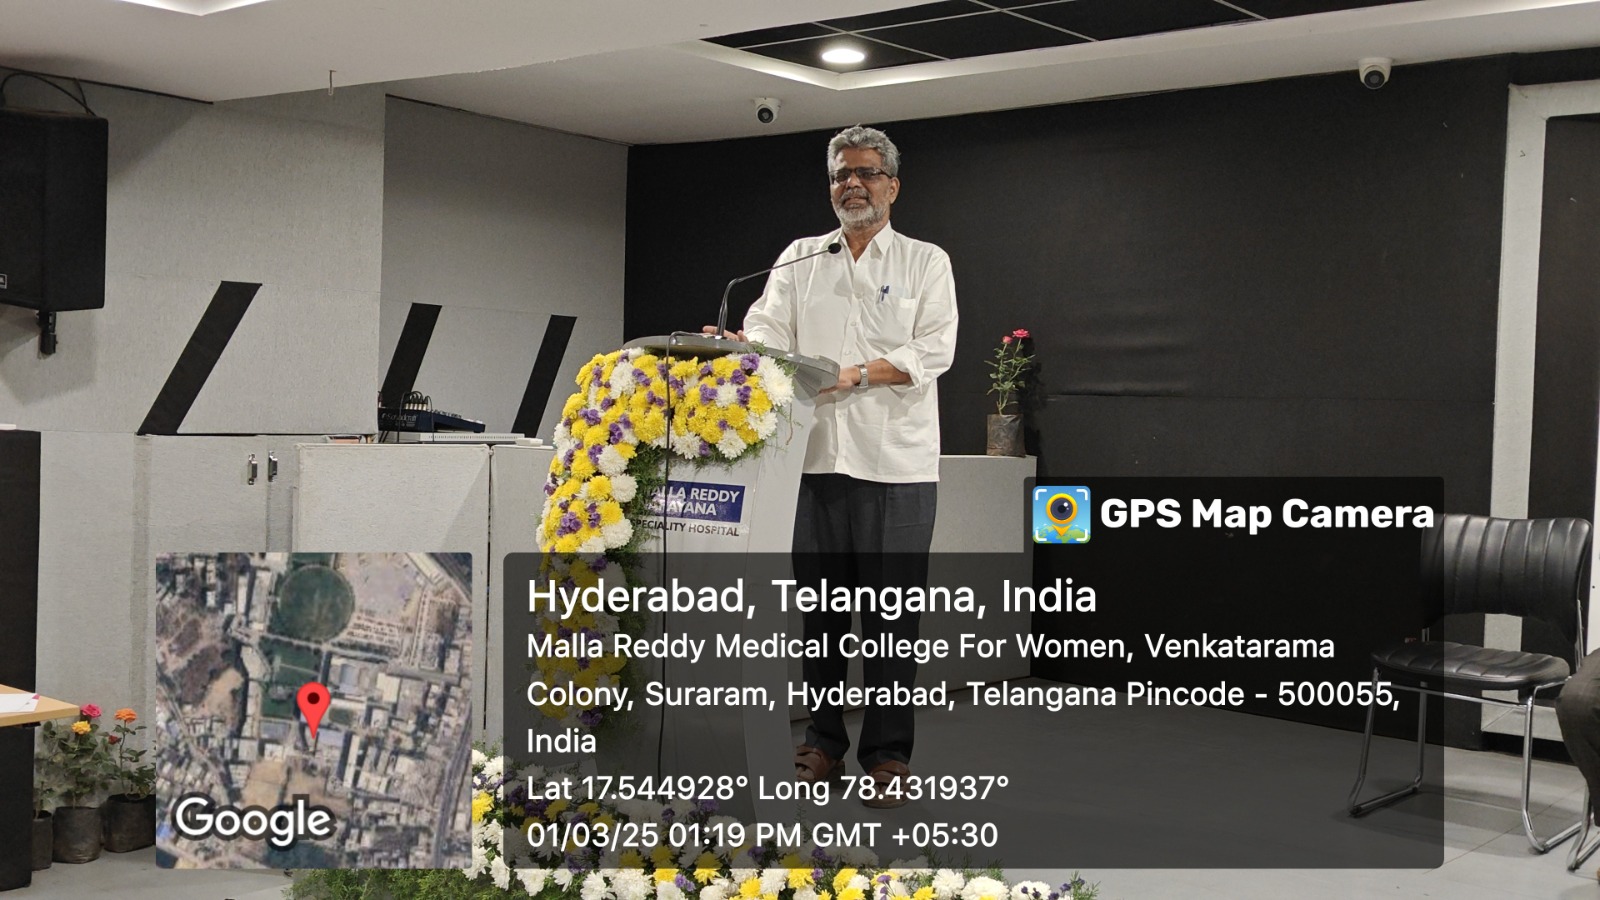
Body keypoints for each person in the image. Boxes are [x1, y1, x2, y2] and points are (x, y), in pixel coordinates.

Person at [705, 124, 958, 807]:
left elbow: (934, 350)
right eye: (841, 174)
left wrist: (854, 374)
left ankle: (888, 756)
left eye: (867, 172)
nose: (853, 184)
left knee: (890, 622)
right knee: (821, 618)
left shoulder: (925, 262)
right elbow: (768, 330)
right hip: (813, 462)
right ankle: (822, 743)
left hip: (895, 468)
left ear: (893, 186)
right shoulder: (800, 258)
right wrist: (741, 347)